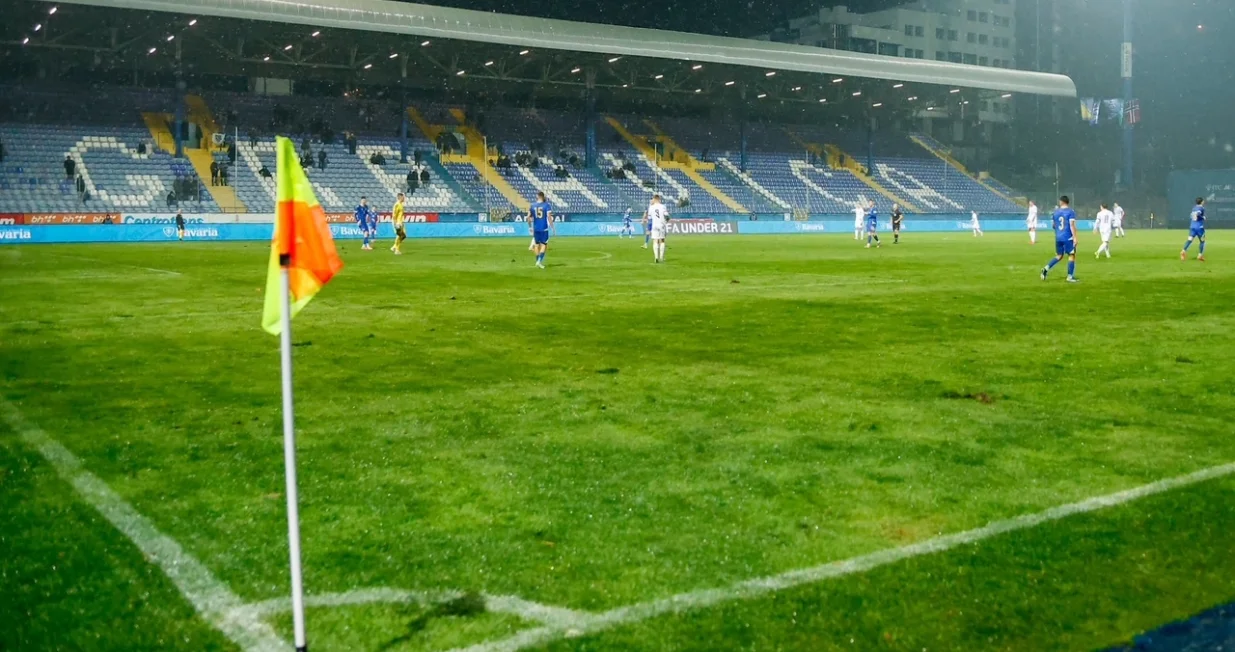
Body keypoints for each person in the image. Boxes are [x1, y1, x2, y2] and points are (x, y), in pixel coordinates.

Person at [1041, 196, 1079, 283]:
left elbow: (1054, 226)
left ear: (1061, 202)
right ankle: (1069, 277)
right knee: (1071, 255)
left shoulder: (1055, 212)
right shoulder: (1070, 212)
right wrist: (1075, 237)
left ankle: (1046, 268)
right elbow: (1072, 225)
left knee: (1059, 255)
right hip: (1068, 237)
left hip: (1058, 237)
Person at [529, 191, 554, 268]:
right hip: (544, 228)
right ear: (543, 197)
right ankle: (539, 261)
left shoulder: (532, 205)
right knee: (544, 245)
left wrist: (530, 227)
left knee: (536, 245)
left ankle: (538, 262)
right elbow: (549, 217)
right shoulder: (546, 205)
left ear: (537, 196)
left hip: (536, 228)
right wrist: (552, 227)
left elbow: (528, 217)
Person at [646, 193, 670, 263]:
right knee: (662, 240)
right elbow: (667, 216)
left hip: (654, 225)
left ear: (654, 199)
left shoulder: (651, 207)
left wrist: (649, 228)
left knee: (655, 240)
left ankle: (656, 257)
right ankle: (661, 257)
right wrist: (666, 221)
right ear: (659, 199)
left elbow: (649, 218)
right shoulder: (663, 206)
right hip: (662, 225)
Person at [1181, 197, 1206, 262]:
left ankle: (1183, 251)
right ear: (1201, 202)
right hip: (1199, 227)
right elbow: (1198, 214)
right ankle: (1200, 255)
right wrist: (1203, 218)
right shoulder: (1201, 208)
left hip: (1192, 226)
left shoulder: (1194, 208)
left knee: (1190, 240)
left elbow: (1191, 216)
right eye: (1203, 201)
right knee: (1202, 241)